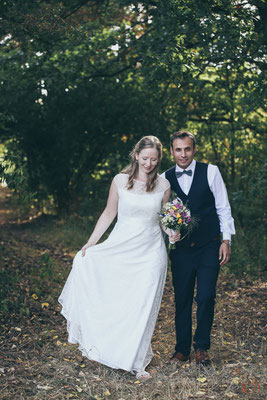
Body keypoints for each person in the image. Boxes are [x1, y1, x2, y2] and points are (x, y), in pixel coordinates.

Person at [58, 136, 180, 381]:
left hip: (151, 252)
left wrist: (172, 232)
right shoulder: (120, 180)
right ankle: (112, 347)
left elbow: (162, 220)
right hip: (121, 247)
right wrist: (92, 242)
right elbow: (109, 212)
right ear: (136, 155)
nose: (149, 163)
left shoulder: (164, 186)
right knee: (120, 299)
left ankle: (137, 364)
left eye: (154, 160)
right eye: (145, 158)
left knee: (143, 305)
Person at [162, 130, 235, 366]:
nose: (183, 154)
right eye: (178, 149)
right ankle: (182, 349)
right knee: (182, 298)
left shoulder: (211, 171)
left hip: (209, 245)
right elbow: (160, 214)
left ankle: (201, 347)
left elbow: (223, 207)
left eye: (187, 149)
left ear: (194, 150)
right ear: (171, 151)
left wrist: (226, 240)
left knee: (206, 296)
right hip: (181, 250)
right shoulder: (165, 178)